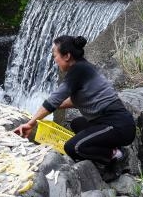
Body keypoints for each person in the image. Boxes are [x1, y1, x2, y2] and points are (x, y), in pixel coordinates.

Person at [13, 34, 136, 182]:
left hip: (118, 126)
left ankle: (117, 157)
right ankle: (113, 149)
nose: (54, 60)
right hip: (109, 123)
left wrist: (31, 123)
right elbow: (75, 99)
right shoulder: (83, 68)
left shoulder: (77, 71)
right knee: (77, 124)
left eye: (55, 55)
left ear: (67, 56)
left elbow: (53, 100)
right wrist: (49, 109)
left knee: (73, 148)